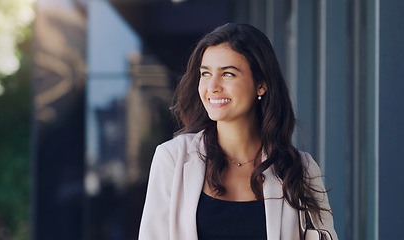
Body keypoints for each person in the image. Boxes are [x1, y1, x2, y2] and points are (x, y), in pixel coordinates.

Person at [138, 23, 338, 240]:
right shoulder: (172, 159)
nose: (212, 86)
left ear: (261, 84)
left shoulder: (300, 169)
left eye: (228, 74)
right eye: (205, 74)